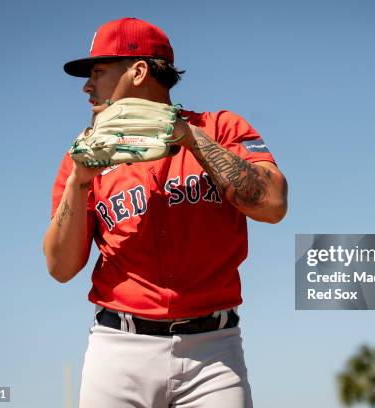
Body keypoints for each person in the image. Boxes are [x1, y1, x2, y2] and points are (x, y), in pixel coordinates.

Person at [43, 17, 288, 408]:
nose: (87, 85)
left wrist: (188, 137)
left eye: (98, 71)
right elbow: (60, 267)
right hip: (118, 351)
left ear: (138, 71)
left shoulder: (219, 128)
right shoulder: (84, 156)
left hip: (213, 354)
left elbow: (273, 205)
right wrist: (79, 180)